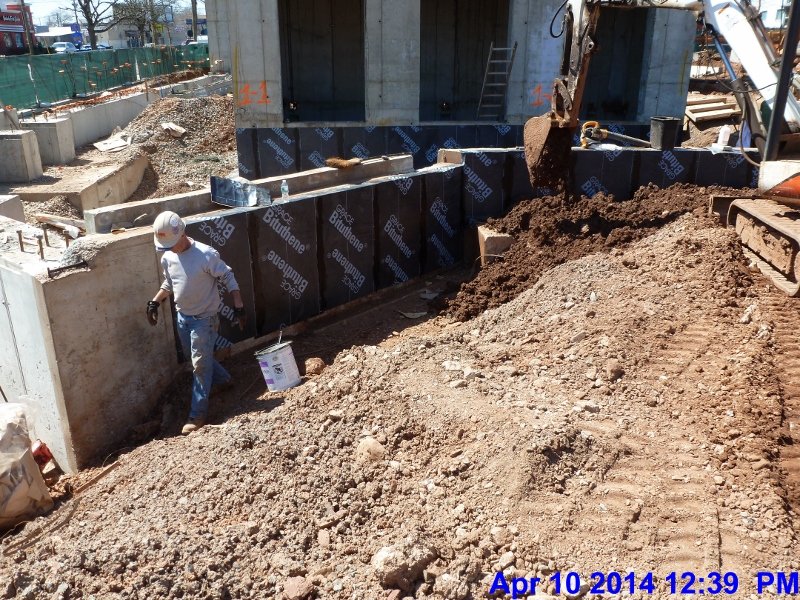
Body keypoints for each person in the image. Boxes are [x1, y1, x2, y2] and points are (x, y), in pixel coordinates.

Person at [146, 211, 246, 435]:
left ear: (182, 233)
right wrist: (154, 302)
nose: (168, 248)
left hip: (204, 320)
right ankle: (224, 380)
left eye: (171, 243)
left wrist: (238, 304)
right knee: (197, 359)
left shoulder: (205, 255)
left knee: (199, 366)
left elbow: (227, 275)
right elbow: (170, 283)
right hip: (183, 318)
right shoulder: (167, 256)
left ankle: (197, 415)